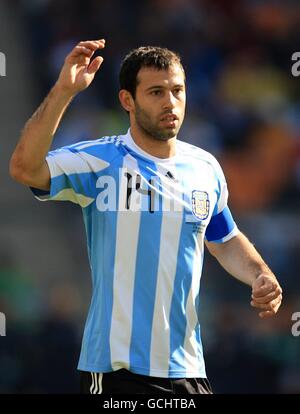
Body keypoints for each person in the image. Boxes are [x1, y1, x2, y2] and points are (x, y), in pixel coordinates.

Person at [10, 39, 283, 394]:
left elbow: (224, 238)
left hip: (187, 368)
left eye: (177, 90)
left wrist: (260, 274)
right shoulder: (101, 160)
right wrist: (64, 91)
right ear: (128, 100)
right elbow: (24, 168)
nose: (170, 102)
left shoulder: (204, 167)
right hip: (117, 370)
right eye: (156, 92)